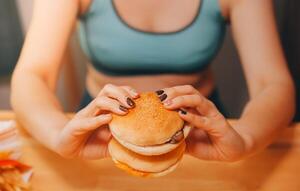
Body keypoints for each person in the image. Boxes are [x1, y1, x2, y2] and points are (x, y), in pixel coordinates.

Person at [11, 0, 295, 161]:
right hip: (102, 134)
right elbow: (33, 75)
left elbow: (272, 84)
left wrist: (245, 139)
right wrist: (56, 133)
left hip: (198, 134)